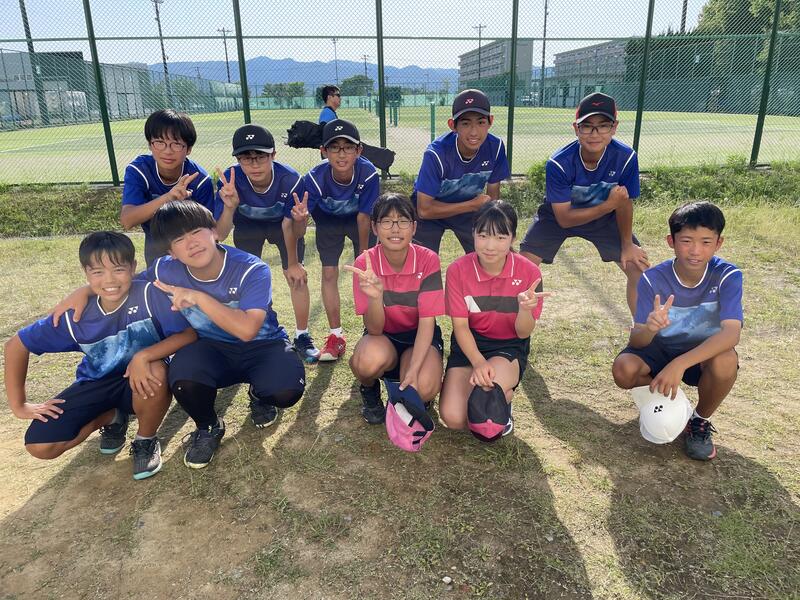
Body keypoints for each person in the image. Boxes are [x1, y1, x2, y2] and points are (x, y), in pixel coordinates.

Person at [52, 202, 307, 470]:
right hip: (210, 347)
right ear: (171, 252)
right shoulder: (165, 269)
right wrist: (85, 291)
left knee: (285, 390)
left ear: (214, 232)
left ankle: (259, 394)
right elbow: (126, 283)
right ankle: (208, 426)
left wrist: (199, 298)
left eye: (196, 232)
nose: (191, 243)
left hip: (263, 344)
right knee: (183, 377)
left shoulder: (251, 268)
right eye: (178, 239)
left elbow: (247, 330)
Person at [5, 232, 196, 479]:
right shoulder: (75, 315)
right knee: (40, 446)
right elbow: (16, 345)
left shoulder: (149, 295)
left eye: (118, 269)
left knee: (155, 369)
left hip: (141, 379)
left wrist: (143, 356)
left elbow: (188, 334)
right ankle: (111, 417)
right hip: (96, 382)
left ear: (133, 268)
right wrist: (19, 405)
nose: (109, 280)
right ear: (85, 273)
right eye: (97, 272)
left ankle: (145, 440)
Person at [612, 201, 742, 461]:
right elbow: (637, 341)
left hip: (700, 352)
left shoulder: (727, 276)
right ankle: (673, 404)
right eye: (686, 241)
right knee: (623, 370)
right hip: (659, 349)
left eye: (706, 242)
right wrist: (650, 328)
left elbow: (731, 334)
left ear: (719, 243)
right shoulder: (652, 278)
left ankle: (699, 421)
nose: (695, 250)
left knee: (726, 360)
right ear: (671, 241)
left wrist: (679, 364)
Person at [518, 92, 649, 315]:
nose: (594, 134)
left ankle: (643, 329)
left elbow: (625, 203)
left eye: (603, 126)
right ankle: (518, 326)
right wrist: (608, 205)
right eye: (587, 126)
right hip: (559, 216)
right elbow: (564, 219)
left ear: (614, 127)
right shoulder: (559, 163)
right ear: (576, 128)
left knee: (640, 270)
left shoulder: (625, 157)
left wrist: (627, 244)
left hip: (604, 219)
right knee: (522, 268)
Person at [439, 200, 550, 435]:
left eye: (500, 237)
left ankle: (503, 397)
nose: (490, 246)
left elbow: (523, 332)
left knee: (486, 410)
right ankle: (488, 393)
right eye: (483, 236)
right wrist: (478, 362)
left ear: (513, 238)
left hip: (508, 346)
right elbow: (460, 327)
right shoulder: (458, 270)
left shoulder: (529, 272)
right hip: (469, 344)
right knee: (454, 418)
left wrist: (525, 309)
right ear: (473, 234)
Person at [214, 124, 320, 362]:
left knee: (298, 277)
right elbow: (219, 234)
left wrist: (293, 262)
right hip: (248, 226)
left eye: (260, 156)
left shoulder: (291, 179)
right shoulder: (230, 180)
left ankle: (302, 336)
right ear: (238, 160)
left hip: (282, 225)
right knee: (247, 280)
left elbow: (294, 229)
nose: (254, 164)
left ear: (273, 155)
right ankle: (263, 327)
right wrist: (229, 207)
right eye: (246, 158)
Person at [344, 193, 445, 424]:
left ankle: (409, 385)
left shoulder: (428, 259)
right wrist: (376, 297)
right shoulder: (365, 264)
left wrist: (414, 371)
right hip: (384, 337)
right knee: (365, 362)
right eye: (387, 221)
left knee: (424, 386)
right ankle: (369, 390)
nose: (395, 229)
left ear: (414, 227)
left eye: (403, 221)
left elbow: (427, 322)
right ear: (375, 227)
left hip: (419, 336)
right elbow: (374, 329)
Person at [301, 119, 379, 362]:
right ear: (323, 151)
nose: (342, 154)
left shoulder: (368, 173)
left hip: (359, 219)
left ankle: (372, 329)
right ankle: (336, 335)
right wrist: (299, 221)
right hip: (328, 221)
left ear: (359, 150)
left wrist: (364, 254)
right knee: (328, 273)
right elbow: (303, 219)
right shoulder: (314, 178)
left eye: (348, 147)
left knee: (369, 272)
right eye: (334, 147)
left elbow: (364, 216)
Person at [412, 89, 510, 254]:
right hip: (433, 209)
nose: (474, 132)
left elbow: (492, 198)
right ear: (453, 126)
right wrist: (472, 205)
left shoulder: (496, 147)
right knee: (422, 261)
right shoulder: (436, 154)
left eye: (481, 122)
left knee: (491, 253)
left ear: (490, 121)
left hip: (468, 208)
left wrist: (492, 230)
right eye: (465, 123)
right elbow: (424, 209)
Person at [121, 109, 222, 265]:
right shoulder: (140, 170)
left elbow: (210, 233)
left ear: (188, 149)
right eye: (159, 142)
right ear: (150, 144)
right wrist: (168, 198)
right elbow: (127, 220)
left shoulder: (199, 180)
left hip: (191, 248)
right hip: (156, 244)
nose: (167, 151)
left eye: (176, 144)